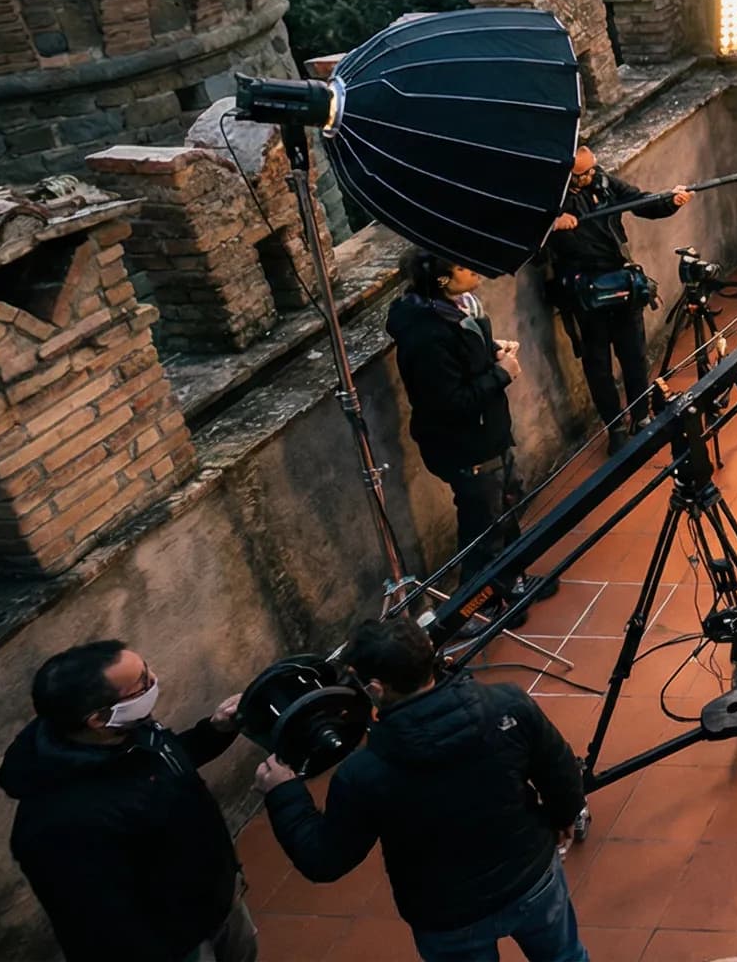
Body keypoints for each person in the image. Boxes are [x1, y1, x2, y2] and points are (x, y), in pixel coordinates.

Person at [257, 617, 589, 962]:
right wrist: (566, 811)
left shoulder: (363, 774)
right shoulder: (509, 704)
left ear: (375, 688)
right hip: (532, 878)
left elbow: (324, 859)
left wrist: (284, 793)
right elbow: (558, 765)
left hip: (448, 916)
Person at [0, 641, 255, 962]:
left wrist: (215, 731)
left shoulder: (126, 732)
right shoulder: (58, 825)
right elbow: (104, 926)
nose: (154, 680)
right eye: (142, 684)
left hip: (217, 903)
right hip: (175, 944)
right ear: (96, 719)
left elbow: (165, 762)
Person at [388, 250, 549, 613]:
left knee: (506, 508)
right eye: (462, 266)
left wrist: (493, 351)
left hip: (488, 434)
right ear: (442, 280)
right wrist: (502, 373)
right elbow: (450, 401)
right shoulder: (426, 334)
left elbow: (467, 356)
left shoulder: (461, 308)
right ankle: (480, 608)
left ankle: (514, 582)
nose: (473, 268)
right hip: (466, 446)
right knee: (483, 528)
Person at [540, 143, 691, 437]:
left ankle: (640, 415)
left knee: (634, 355)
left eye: (593, 168)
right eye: (583, 174)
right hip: (583, 294)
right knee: (598, 366)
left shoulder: (604, 183)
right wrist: (550, 226)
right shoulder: (548, 199)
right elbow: (526, 240)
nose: (592, 176)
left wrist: (670, 200)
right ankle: (615, 428)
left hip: (621, 283)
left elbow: (641, 202)